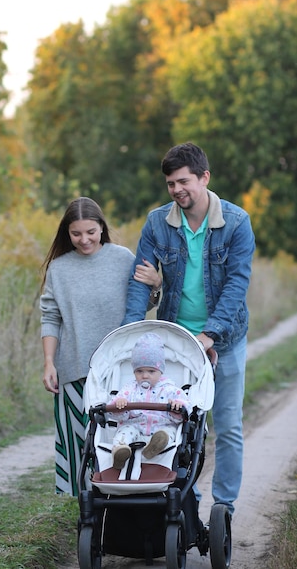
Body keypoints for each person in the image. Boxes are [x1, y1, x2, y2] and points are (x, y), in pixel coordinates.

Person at [122, 142, 255, 516]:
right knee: (178, 424)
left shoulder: (236, 223)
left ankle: (224, 505)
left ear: (204, 178)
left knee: (227, 426)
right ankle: (185, 502)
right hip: (175, 344)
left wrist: (209, 335)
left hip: (223, 341)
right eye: (170, 184)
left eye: (184, 181)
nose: (177, 190)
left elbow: (235, 285)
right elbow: (138, 282)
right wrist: (130, 331)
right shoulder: (157, 223)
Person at [40, 196, 160, 496]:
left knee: (118, 442)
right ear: (66, 233)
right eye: (76, 233)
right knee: (81, 446)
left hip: (120, 372)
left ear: (101, 228)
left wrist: (157, 285)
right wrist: (49, 362)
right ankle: (85, 513)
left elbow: (143, 303)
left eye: (91, 232)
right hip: (75, 368)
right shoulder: (58, 268)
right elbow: (50, 318)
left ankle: (124, 505)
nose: (84, 240)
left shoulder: (122, 258)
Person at [109, 332, 191, 469]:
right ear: (134, 371)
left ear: (161, 371)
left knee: (169, 432)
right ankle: (120, 451)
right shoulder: (129, 389)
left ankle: (155, 447)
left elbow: (186, 408)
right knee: (124, 430)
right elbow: (115, 413)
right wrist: (119, 406)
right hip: (135, 425)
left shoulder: (170, 389)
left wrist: (177, 407)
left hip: (161, 425)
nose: (145, 375)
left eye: (151, 371)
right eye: (139, 371)